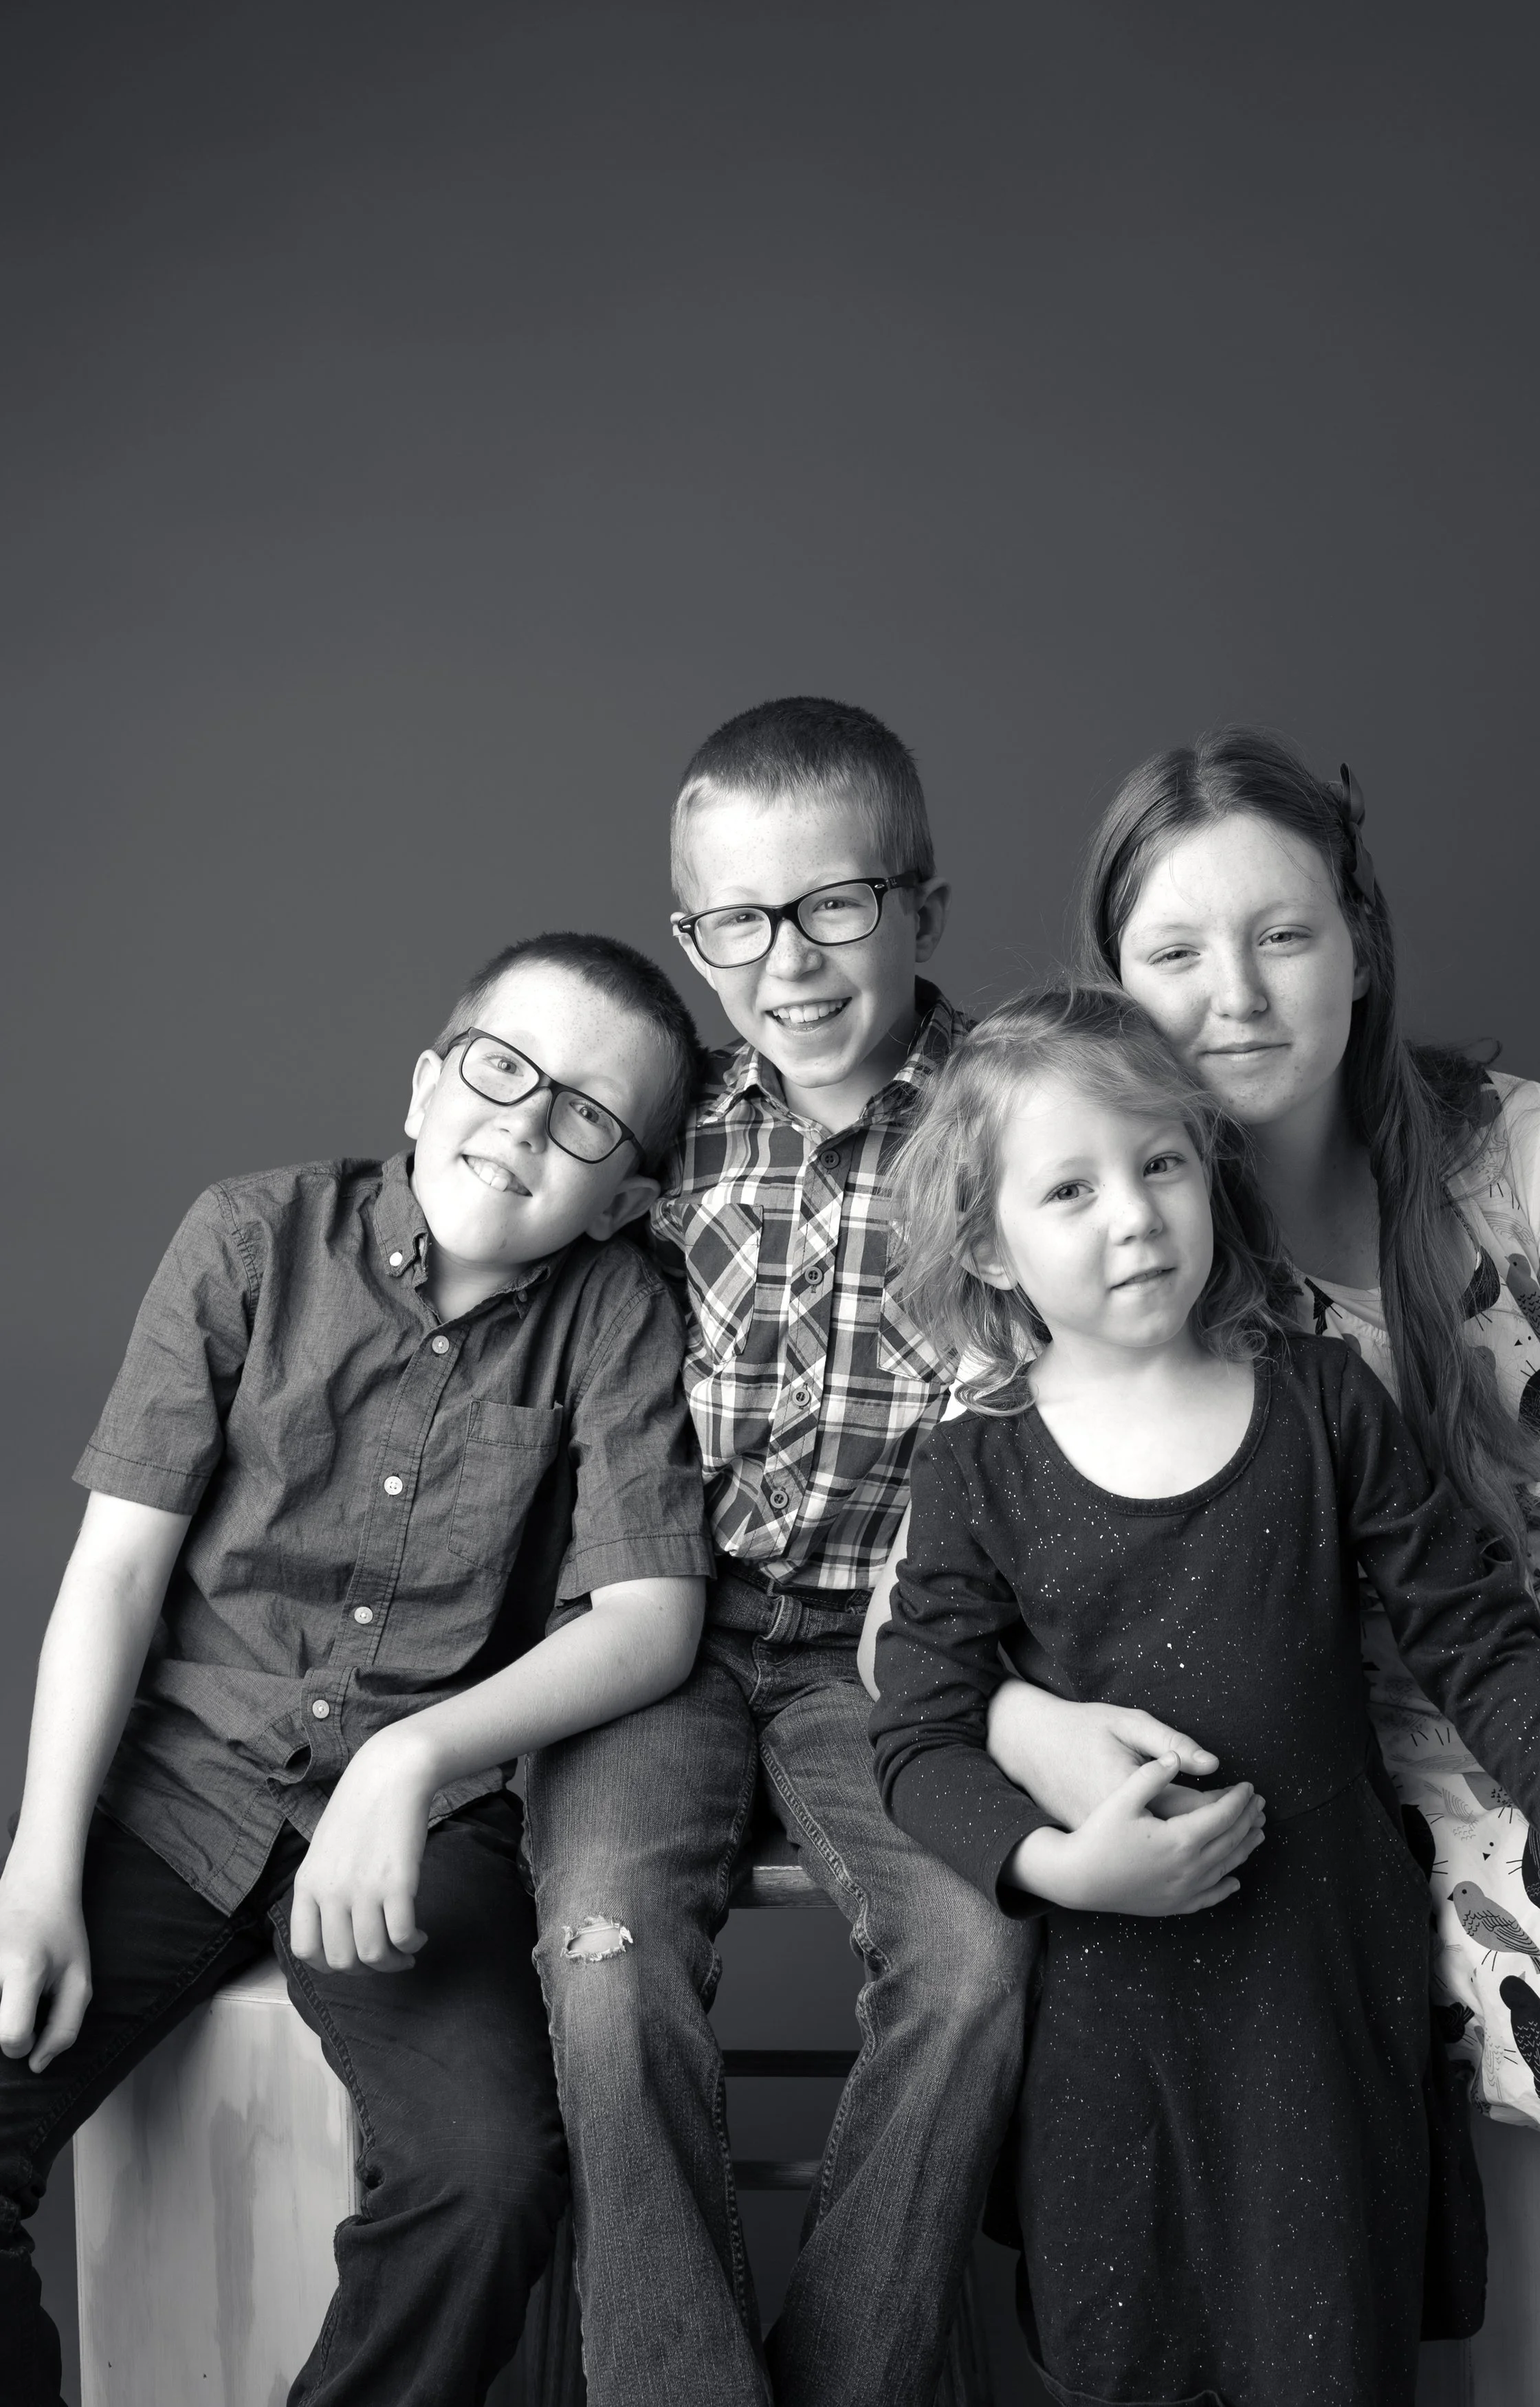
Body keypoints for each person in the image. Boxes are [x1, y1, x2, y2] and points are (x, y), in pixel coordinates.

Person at [953, 725, 1540, 2383]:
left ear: (1359, 943)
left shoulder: (1519, 1157)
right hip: (1322, 1808)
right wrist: (1027, 1743)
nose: (1232, 995)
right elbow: (944, 1638)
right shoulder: (1094, 1238)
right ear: (1111, 982)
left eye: (1281, 934)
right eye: (1172, 952)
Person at [0, 932, 713, 2407]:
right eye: (501, 1069)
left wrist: (411, 1757)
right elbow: (117, 1575)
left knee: (489, 2180)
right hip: (172, 1794)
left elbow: (650, 1617)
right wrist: (37, 1866)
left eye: (586, 1115)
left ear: (626, 1194)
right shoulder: (249, 1240)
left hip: (420, 1838)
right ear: (424, 1081)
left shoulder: (618, 1314)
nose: (522, 1123)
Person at [526, 699, 1037, 2407]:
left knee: (969, 1963)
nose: (787, 963)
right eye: (734, 923)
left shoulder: (1005, 1130)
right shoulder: (669, 1125)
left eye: (832, 907)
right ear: (693, 934)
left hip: (890, 1665)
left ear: (920, 909)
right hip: (663, 1632)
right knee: (602, 1961)